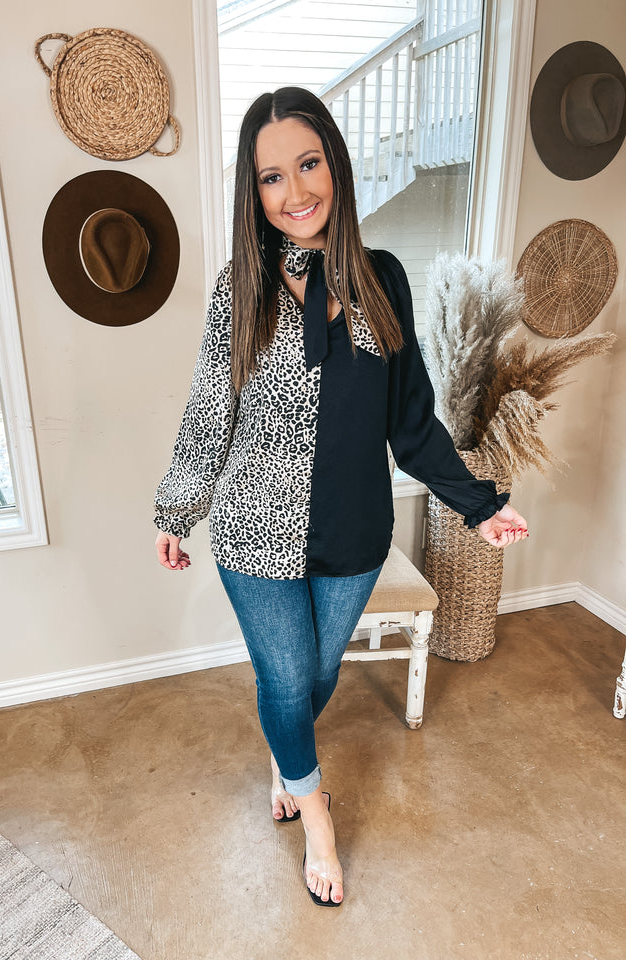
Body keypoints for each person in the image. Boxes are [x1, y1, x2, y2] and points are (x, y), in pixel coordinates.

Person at [153, 87, 528, 908]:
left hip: (355, 532)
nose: (295, 192)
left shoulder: (383, 278)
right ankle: (315, 811)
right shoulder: (240, 287)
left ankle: (286, 758)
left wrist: (479, 504)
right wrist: (178, 509)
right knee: (288, 680)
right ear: (254, 191)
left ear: (336, 165)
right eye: (271, 177)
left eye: (308, 164)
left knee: (314, 677)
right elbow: (211, 409)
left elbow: (411, 422)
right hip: (255, 529)